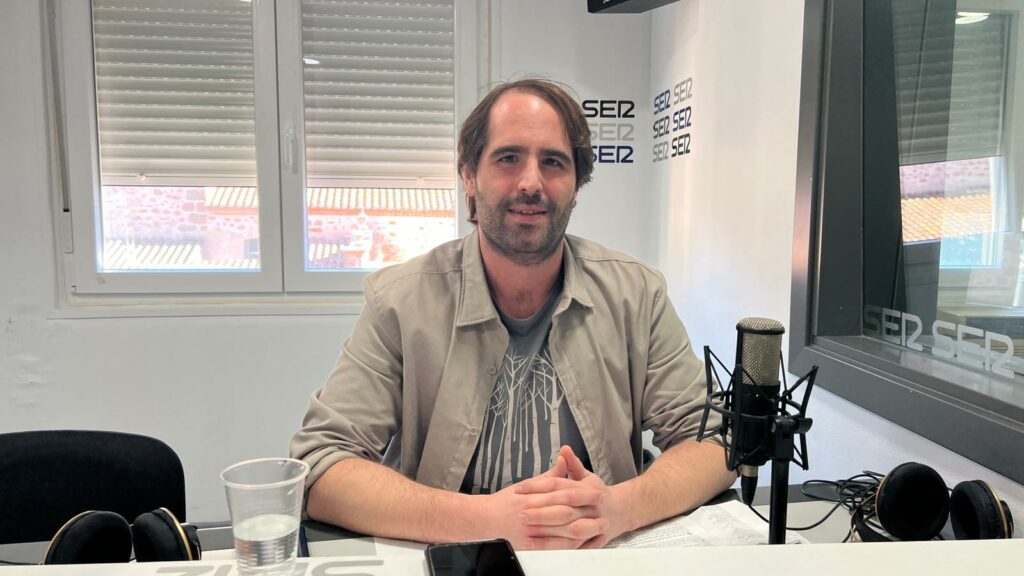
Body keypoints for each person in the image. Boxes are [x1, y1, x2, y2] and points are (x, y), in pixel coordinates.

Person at [290, 78, 735, 550]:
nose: (530, 183)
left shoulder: (638, 295)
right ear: (469, 175)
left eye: (553, 162)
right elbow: (320, 464)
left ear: (577, 185)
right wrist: (486, 521)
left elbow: (715, 440)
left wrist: (620, 508)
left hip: (597, 554)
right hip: (455, 556)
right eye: (508, 158)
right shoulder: (401, 302)